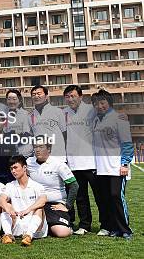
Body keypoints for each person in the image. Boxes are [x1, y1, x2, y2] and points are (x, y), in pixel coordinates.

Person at [91, 89, 133, 239]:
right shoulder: (96, 120)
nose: (100, 106)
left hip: (116, 167)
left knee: (116, 197)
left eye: (102, 102)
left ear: (109, 103)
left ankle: (126, 229)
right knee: (107, 199)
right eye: (96, 103)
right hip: (101, 168)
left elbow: (127, 143)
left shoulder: (119, 118)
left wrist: (125, 164)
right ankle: (114, 228)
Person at [63, 85, 100, 235]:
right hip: (73, 163)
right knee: (80, 197)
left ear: (81, 96)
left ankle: (106, 224)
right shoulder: (63, 113)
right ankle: (84, 225)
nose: (70, 99)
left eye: (73, 96)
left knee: (99, 196)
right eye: (68, 97)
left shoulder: (92, 111)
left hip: (92, 162)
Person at [27, 144, 78, 238]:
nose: (37, 150)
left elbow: (74, 185)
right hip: (35, 204)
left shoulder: (59, 164)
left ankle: (58, 225)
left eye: (41, 147)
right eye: (35, 147)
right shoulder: (29, 162)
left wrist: (67, 206)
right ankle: (46, 225)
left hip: (53, 205)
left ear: (49, 149)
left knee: (62, 233)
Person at [0, 155, 47, 246]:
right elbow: (1, 199)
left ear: (24, 168)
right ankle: (8, 235)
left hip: (35, 227)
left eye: (16, 168)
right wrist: (9, 209)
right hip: (17, 222)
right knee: (5, 205)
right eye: (11, 168)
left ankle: (29, 236)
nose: (13, 171)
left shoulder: (36, 185)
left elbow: (43, 200)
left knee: (39, 208)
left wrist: (28, 210)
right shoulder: (10, 185)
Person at [30, 85, 67, 162]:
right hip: (41, 158)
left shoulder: (57, 111)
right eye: (33, 94)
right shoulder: (30, 116)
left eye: (39, 93)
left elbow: (65, 133)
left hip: (58, 156)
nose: (36, 96)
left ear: (46, 96)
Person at [4, 89, 33, 157]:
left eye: (14, 99)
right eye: (9, 99)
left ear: (19, 101)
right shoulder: (3, 115)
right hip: (8, 152)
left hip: (24, 152)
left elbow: (26, 134)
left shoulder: (26, 114)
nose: (11, 102)